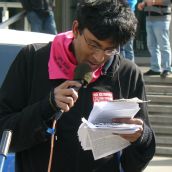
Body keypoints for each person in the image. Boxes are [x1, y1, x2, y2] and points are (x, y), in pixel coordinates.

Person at [0, 0, 155, 172]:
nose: (98, 57)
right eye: (93, 44)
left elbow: (135, 161)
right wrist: (46, 107)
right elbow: (3, 130)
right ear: (76, 29)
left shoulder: (127, 73)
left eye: (109, 50)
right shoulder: (33, 59)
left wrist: (141, 138)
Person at [138, 0, 172, 77]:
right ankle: (155, 68)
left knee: (163, 45)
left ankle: (167, 68)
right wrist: (143, 3)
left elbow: (169, 2)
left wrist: (154, 2)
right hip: (149, 18)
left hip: (162, 18)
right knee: (151, 45)